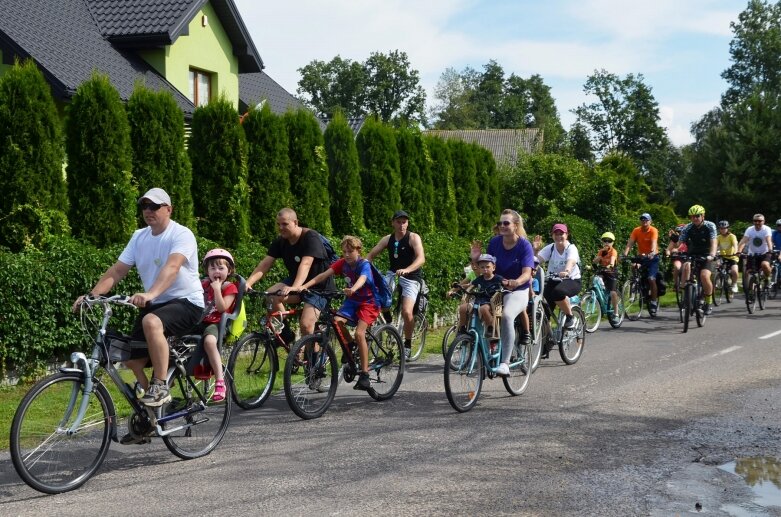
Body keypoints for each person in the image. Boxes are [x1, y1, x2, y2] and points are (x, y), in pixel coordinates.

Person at [72, 188, 204, 408]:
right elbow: (118, 271)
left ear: (169, 209)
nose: (148, 210)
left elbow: (172, 267)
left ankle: (160, 386)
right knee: (130, 359)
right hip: (157, 305)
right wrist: (92, 295)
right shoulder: (138, 237)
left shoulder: (181, 234)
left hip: (187, 302)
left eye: (154, 206)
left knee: (151, 321)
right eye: (144, 206)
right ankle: (151, 414)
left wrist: (150, 294)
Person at [299, 236, 380, 391]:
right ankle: (350, 346)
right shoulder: (342, 263)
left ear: (358, 251)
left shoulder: (364, 264)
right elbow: (324, 275)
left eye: (350, 251)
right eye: (344, 252)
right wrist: (305, 285)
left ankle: (364, 375)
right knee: (337, 321)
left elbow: (363, 278)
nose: (347, 255)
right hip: (353, 300)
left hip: (369, 302)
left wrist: (354, 289)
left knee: (360, 334)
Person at [246, 208, 335, 339]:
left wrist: (295, 287)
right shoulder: (281, 241)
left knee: (306, 325)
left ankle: (312, 358)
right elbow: (265, 264)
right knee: (271, 296)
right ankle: (286, 334)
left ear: (295, 222)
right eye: (278, 224)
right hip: (296, 283)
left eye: (285, 224)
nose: (281, 228)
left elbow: (306, 264)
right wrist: (248, 283)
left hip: (318, 287)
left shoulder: (310, 237)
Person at [366, 210, 426, 357]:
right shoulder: (388, 239)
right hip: (393, 274)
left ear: (408, 223)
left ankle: (407, 344)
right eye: (398, 222)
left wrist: (407, 269)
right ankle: (388, 319)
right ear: (393, 223)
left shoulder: (413, 237)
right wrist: (363, 269)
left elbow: (421, 259)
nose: (401, 225)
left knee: (406, 311)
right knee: (375, 297)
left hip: (411, 277)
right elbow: (371, 255)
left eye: (404, 222)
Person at [487, 209, 534, 376]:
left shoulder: (524, 245)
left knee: (507, 315)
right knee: (476, 309)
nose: (502, 226)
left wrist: (517, 282)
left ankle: (505, 362)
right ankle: (483, 349)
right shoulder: (494, 242)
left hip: (518, 290)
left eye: (506, 223)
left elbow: (527, 273)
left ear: (516, 226)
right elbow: (487, 267)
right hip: (498, 288)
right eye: (500, 223)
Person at [195, 248, 239, 402]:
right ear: (207, 270)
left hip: (218, 323)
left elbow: (221, 308)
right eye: (212, 268)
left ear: (229, 270)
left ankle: (220, 382)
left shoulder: (229, 287)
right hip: (201, 321)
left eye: (221, 268)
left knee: (209, 341)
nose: (216, 271)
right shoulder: (203, 284)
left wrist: (217, 290)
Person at [533, 223, 581, 332]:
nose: (559, 236)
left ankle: (570, 316)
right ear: (552, 235)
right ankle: (547, 337)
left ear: (567, 235)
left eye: (561, 233)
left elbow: (571, 261)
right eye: (556, 233)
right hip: (552, 280)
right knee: (542, 305)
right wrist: (535, 250)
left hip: (571, 280)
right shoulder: (550, 248)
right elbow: (535, 261)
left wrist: (567, 271)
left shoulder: (571, 248)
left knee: (557, 292)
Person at [678, 205, 718, 315]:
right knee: (686, 266)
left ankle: (708, 302)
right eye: (692, 216)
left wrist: (712, 254)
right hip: (693, 254)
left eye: (697, 216)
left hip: (707, 255)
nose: (694, 218)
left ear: (703, 216)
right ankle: (684, 294)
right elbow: (681, 243)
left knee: (704, 276)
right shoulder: (687, 227)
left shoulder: (710, 226)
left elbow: (714, 242)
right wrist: (677, 249)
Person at [622, 212, 660, 316]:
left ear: (650, 222)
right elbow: (630, 243)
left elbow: (653, 243)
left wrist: (652, 252)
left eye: (646, 220)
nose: (644, 222)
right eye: (642, 220)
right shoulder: (636, 230)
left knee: (651, 279)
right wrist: (625, 254)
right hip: (641, 257)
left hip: (652, 257)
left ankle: (653, 301)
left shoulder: (653, 230)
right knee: (634, 266)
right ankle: (636, 284)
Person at [470, 254, 505, 340]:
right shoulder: (480, 279)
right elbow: (470, 285)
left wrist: (510, 284)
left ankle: (491, 327)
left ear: (493, 267)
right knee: (465, 308)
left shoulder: (498, 278)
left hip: (492, 302)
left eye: (487, 267)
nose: (485, 269)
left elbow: (506, 283)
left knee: (483, 309)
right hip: (479, 300)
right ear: (479, 269)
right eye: (482, 267)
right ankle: (464, 329)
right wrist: (462, 288)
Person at [593, 231, 621, 323]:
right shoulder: (601, 251)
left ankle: (616, 313)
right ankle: (602, 297)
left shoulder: (613, 251)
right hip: (603, 271)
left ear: (612, 242)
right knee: (596, 280)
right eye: (605, 241)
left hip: (612, 272)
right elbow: (595, 261)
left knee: (613, 293)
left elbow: (613, 260)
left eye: (609, 241)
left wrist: (611, 264)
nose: (607, 243)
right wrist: (600, 256)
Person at [737, 213, 773, 282]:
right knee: (748, 272)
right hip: (752, 253)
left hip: (764, 253)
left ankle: (767, 278)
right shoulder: (749, 229)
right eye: (755, 221)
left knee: (765, 265)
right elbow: (744, 241)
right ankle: (749, 288)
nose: (757, 222)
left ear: (764, 221)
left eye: (759, 221)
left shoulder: (766, 229)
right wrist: (739, 251)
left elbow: (768, 240)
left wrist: (770, 249)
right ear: (753, 221)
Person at [716, 221, 740, 294]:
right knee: (715, 267)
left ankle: (734, 284)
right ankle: (717, 282)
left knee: (734, 271)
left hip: (732, 257)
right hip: (723, 257)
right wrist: (714, 253)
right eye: (721, 228)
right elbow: (715, 246)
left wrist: (735, 252)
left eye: (724, 228)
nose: (722, 230)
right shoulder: (718, 237)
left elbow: (735, 244)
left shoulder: (732, 236)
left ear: (727, 229)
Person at [665, 224, 688, 290]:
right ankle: (676, 284)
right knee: (677, 267)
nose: (680, 233)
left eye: (682, 232)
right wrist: (668, 254)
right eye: (679, 232)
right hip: (678, 258)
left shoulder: (689, 239)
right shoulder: (674, 240)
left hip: (687, 258)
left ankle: (689, 281)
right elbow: (668, 249)